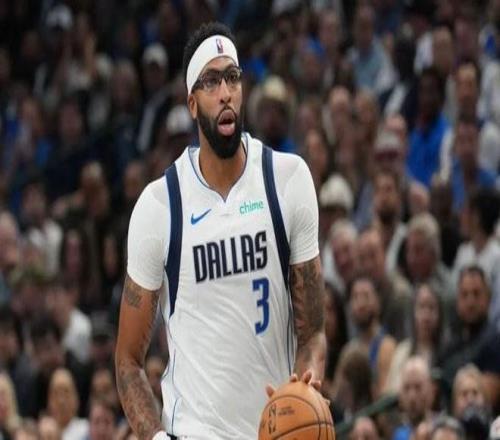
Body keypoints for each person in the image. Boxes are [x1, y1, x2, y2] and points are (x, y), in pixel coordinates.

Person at [115, 22, 326, 440]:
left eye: (232, 77)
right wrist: (155, 437)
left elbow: (313, 331)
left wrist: (307, 385)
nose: (225, 92)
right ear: (193, 104)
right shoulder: (160, 206)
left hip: (273, 429)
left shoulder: (286, 179)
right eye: (211, 82)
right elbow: (128, 361)